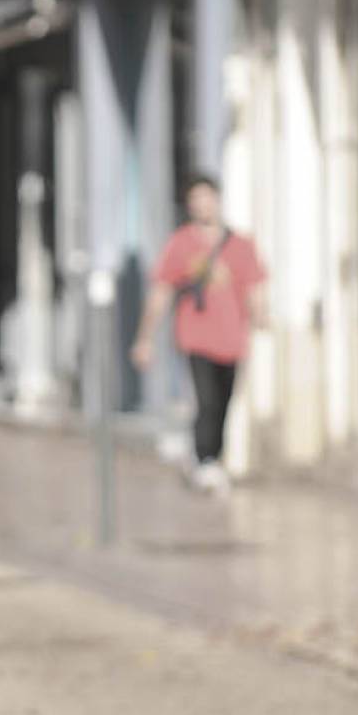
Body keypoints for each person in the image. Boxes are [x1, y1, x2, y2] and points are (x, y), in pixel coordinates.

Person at [131, 175, 267, 494]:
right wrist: (145, 337)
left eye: (207, 198)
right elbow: (161, 291)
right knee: (205, 400)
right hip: (196, 339)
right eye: (196, 200)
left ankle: (211, 458)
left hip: (232, 340)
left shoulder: (240, 245)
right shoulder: (182, 244)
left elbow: (254, 286)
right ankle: (205, 459)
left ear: (218, 199)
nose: (203, 205)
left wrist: (261, 315)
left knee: (223, 402)